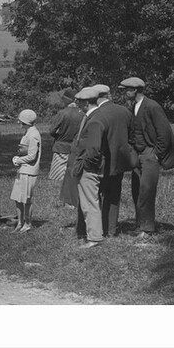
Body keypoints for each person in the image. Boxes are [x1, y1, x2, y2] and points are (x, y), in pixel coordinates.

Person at [120, 76, 174, 236]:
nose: (124, 93)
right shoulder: (133, 107)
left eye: (126, 90)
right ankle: (140, 224)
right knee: (136, 190)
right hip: (137, 155)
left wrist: (157, 155)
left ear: (135, 90)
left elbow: (164, 133)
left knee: (146, 190)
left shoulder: (152, 106)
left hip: (149, 154)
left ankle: (147, 228)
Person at [92, 83, 135, 237]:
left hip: (100, 162)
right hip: (120, 161)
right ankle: (111, 229)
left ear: (95, 97)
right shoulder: (124, 111)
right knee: (113, 196)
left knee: (95, 196)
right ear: (108, 94)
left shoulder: (96, 113)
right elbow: (132, 135)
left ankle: (97, 228)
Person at [72, 87, 105, 248]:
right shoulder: (93, 117)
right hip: (88, 165)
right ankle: (93, 234)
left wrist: (86, 165)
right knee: (87, 201)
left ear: (86, 103)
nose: (78, 104)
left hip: (89, 167)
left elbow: (94, 148)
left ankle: (94, 237)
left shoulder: (95, 120)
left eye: (79, 101)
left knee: (90, 202)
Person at [10, 109, 41, 233]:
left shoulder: (33, 135)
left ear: (26, 122)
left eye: (21, 120)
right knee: (17, 197)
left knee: (26, 199)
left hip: (29, 170)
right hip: (23, 169)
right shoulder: (28, 132)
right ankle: (20, 222)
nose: (19, 122)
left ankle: (27, 224)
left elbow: (32, 156)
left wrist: (18, 160)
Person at [47, 89, 83, 183]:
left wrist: (58, 136)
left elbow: (52, 130)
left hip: (61, 147)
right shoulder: (82, 114)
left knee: (57, 178)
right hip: (76, 146)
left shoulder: (62, 113)